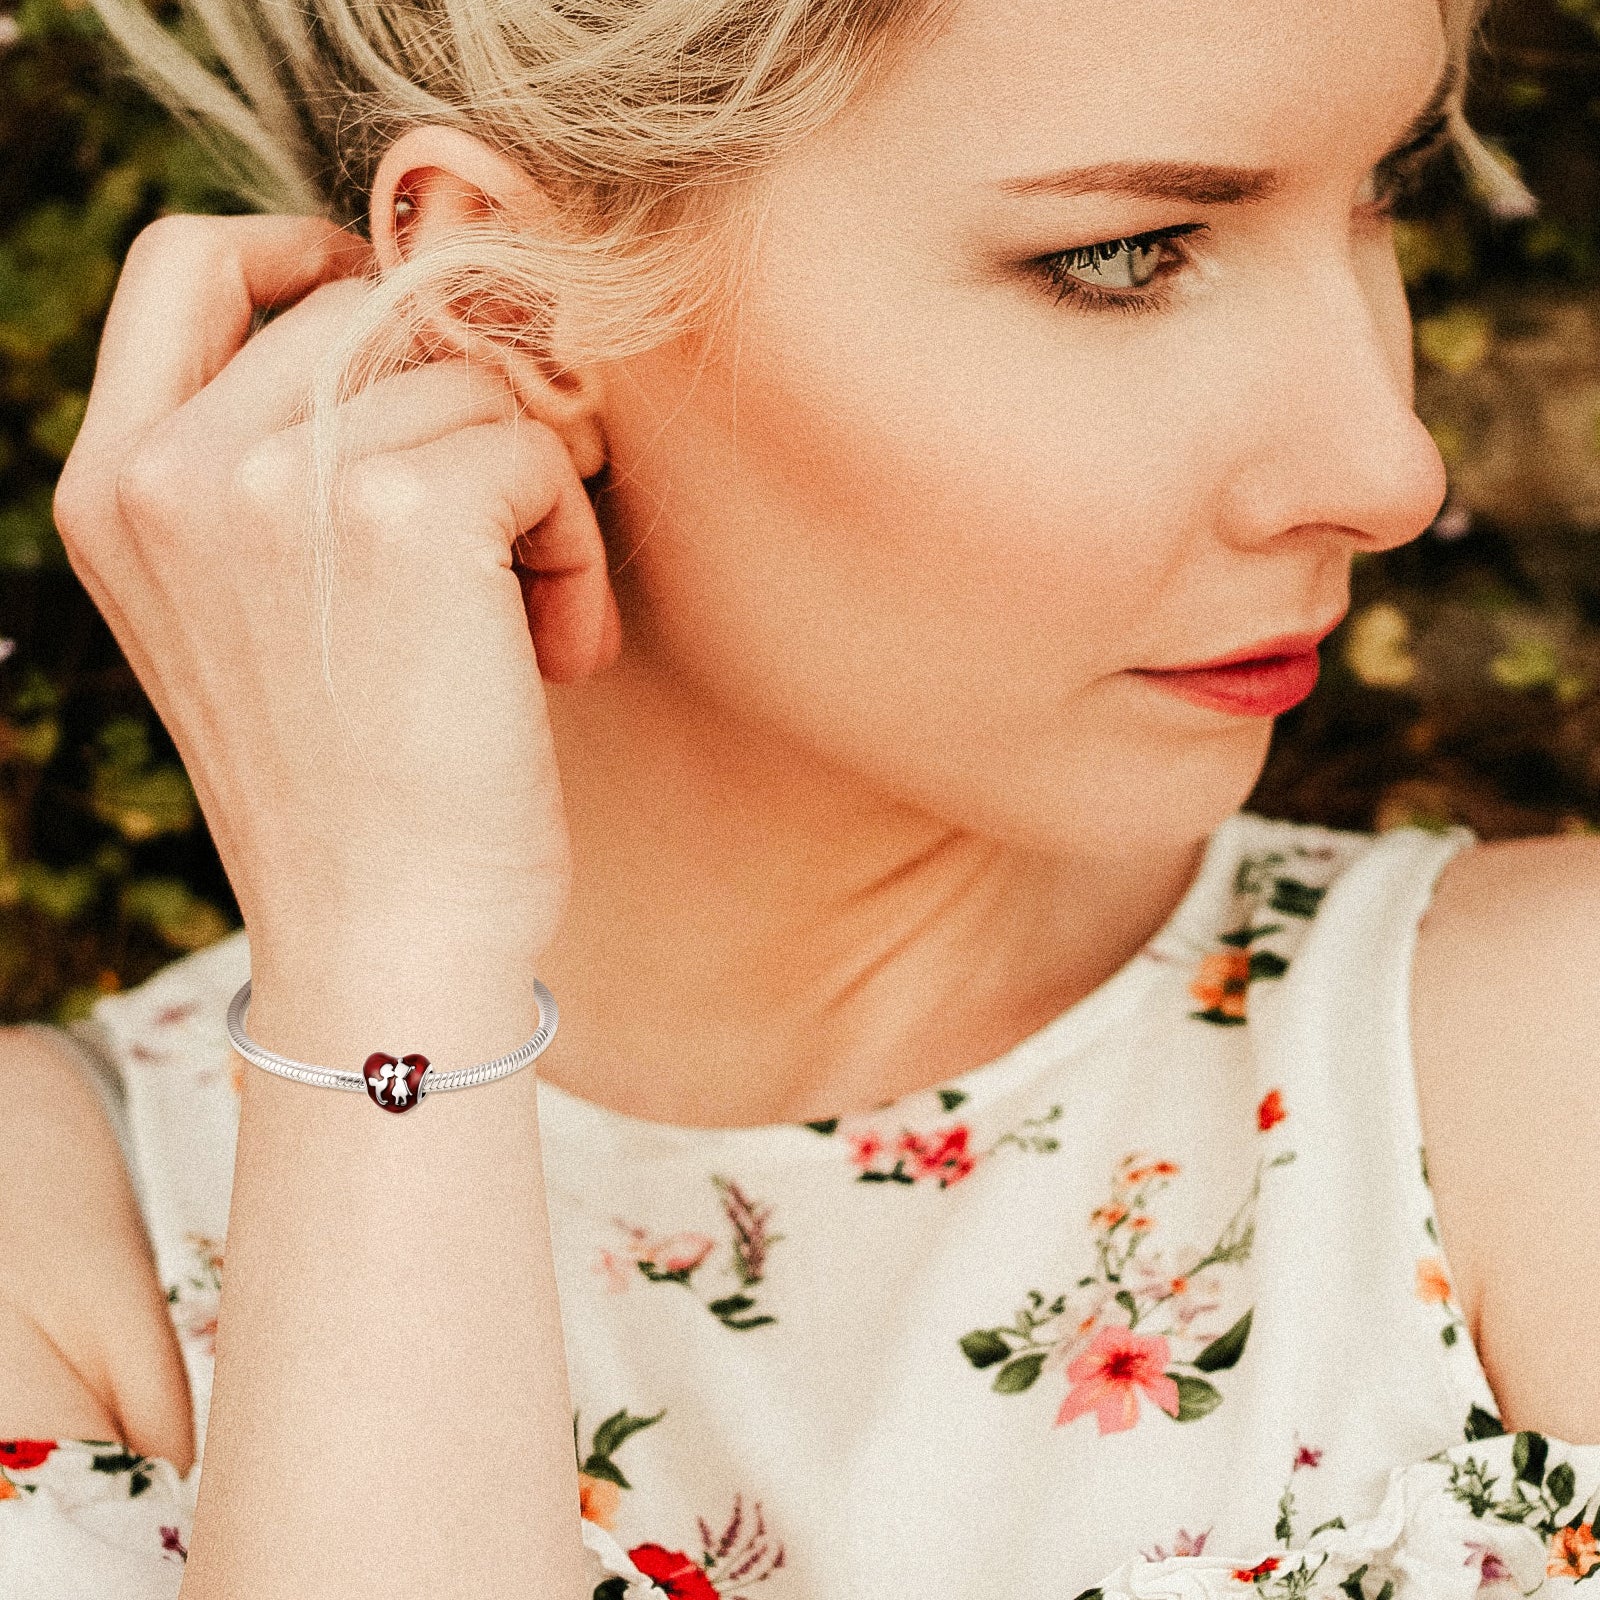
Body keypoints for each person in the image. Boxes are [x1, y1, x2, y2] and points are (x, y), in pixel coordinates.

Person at [1, 0, 1596, 1595]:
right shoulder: (54, 1268)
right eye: (1130, 252)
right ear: (509, 308)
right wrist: (390, 957)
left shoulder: (1539, 1078)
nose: (1390, 471)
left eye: (1385, 193)